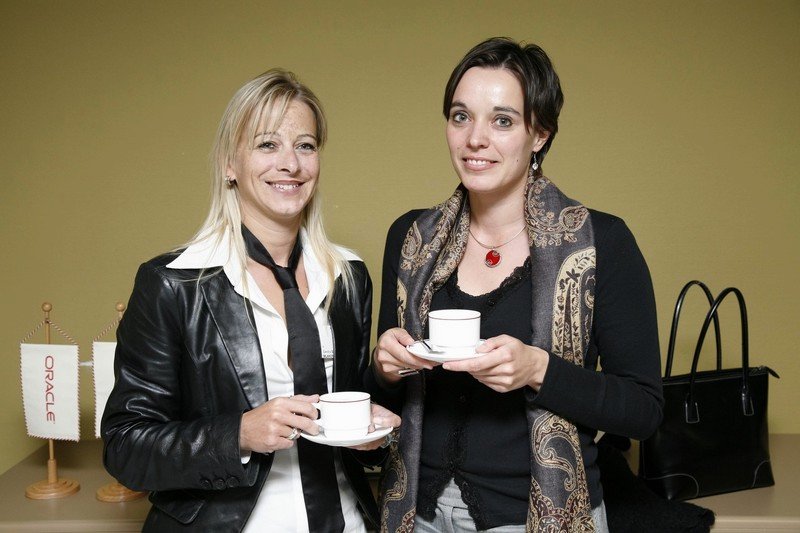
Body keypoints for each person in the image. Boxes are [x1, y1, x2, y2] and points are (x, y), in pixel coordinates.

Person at [367, 37, 663, 532]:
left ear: (539, 133)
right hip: (414, 512)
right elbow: (383, 402)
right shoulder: (411, 238)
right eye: (461, 116)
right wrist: (385, 369)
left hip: (535, 516)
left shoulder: (601, 242)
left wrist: (538, 370)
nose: (475, 139)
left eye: (502, 121)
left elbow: (643, 411)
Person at [102, 69, 401, 533]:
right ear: (230, 163)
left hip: (348, 521)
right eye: (267, 144)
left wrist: (373, 422)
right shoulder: (172, 284)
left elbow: (351, 411)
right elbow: (125, 446)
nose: (290, 163)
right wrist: (237, 435)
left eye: (305, 145)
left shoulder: (348, 276)